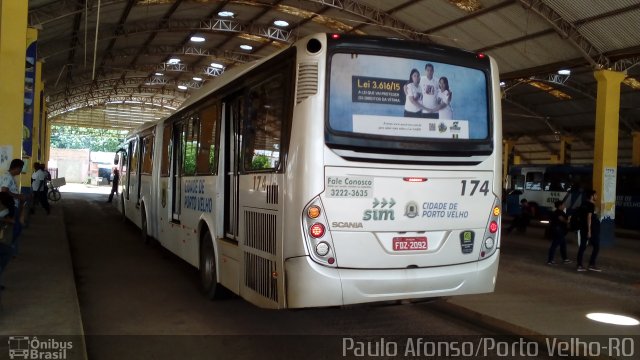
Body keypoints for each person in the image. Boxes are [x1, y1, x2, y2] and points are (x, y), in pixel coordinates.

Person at [0, 159, 27, 256]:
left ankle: (10, 248)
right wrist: (18, 196)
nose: (21, 171)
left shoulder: (10, 177)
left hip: (13, 206)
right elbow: (4, 191)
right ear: (17, 168)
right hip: (9, 207)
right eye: (21, 168)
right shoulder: (7, 177)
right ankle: (7, 248)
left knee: (16, 228)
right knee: (15, 228)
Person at [576, 190, 601, 272]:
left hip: (583, 228)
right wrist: (589, 230)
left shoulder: (583, 204)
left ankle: (579, 265)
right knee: (596, 247)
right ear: (592, 196)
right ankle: (591, 264)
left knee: (582, 247)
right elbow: (589, 217)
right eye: (595, 195)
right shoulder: (591, 205)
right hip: (591, 229)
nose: (596, 196)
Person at [547, 200, 571, 265]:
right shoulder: (558, 212)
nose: (564, 206)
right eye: (563, 205)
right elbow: (562, 220)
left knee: (563, 245)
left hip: (559, 231)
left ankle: (565, 259)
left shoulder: (560, 212)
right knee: (554, 245)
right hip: (558, 231)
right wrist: (568, 220)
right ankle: (550, 260)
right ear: (560, 206)